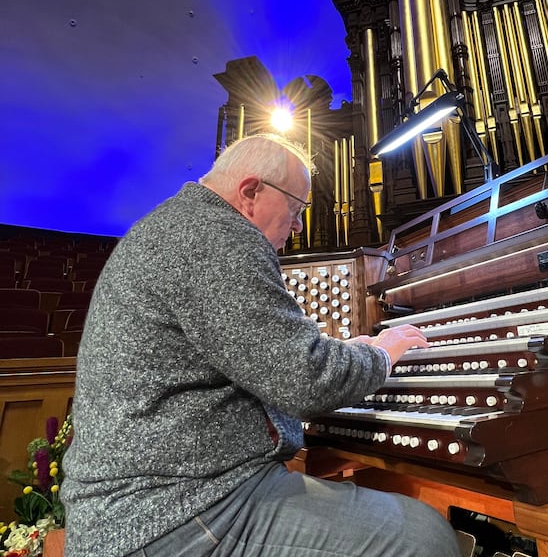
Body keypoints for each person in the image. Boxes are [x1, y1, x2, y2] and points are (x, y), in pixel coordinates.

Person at [61, 134, 461, 557]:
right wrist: (382, 352)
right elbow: (305, 380)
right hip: (172, 513)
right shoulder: (217, 235)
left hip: (147, 506)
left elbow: (265, 358)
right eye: (296, 208)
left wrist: (342, 351)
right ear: (251, 192)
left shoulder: (179, 226)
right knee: (423, 537)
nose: (300, 226)